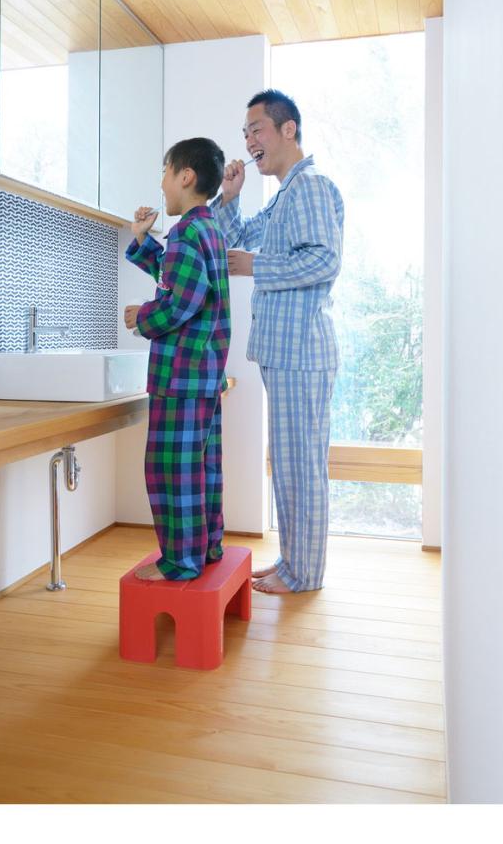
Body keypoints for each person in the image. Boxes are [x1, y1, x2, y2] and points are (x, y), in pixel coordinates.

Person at [213, 89, 344, 594]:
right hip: (286, 352)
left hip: (301, 353)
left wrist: (257, 267)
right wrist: (230, 196)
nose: (249, 141)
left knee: (301, 467)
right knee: (290, 465)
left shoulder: (309, 186)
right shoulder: (286, 194)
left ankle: (304, 573)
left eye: (257, 129)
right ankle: (293, 562)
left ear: (288, 129)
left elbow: (324, 260)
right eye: (245, 133)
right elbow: (238, 239)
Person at [124, 137, 231, 582]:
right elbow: (179, 278)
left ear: (186, 176)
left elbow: (182, 300)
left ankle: (180, 562)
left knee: (170, 470)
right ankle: (206, 547)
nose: (162, 184)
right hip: (203, 375)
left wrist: (142, 317)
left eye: (165, 172)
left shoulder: (186, 232)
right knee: (201, 466)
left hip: (180, 376)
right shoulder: (207, 229)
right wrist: (142, 239)